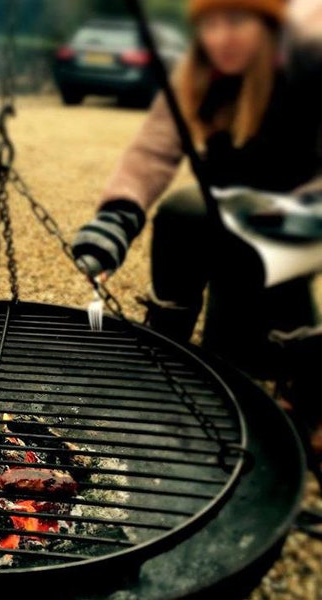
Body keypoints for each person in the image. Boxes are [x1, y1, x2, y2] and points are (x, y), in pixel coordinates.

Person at [72, 0, 322, 451]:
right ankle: (168, 349)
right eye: (209, 25)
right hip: (228, 219)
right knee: (185, 214)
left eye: (236, 22)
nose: (220, 38)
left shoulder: (309, 64)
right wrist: (118, 215)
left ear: (268, 25)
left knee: (273, 354)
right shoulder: (200, 70)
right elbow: (154, 149)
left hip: (300, 223)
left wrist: (282, 219)